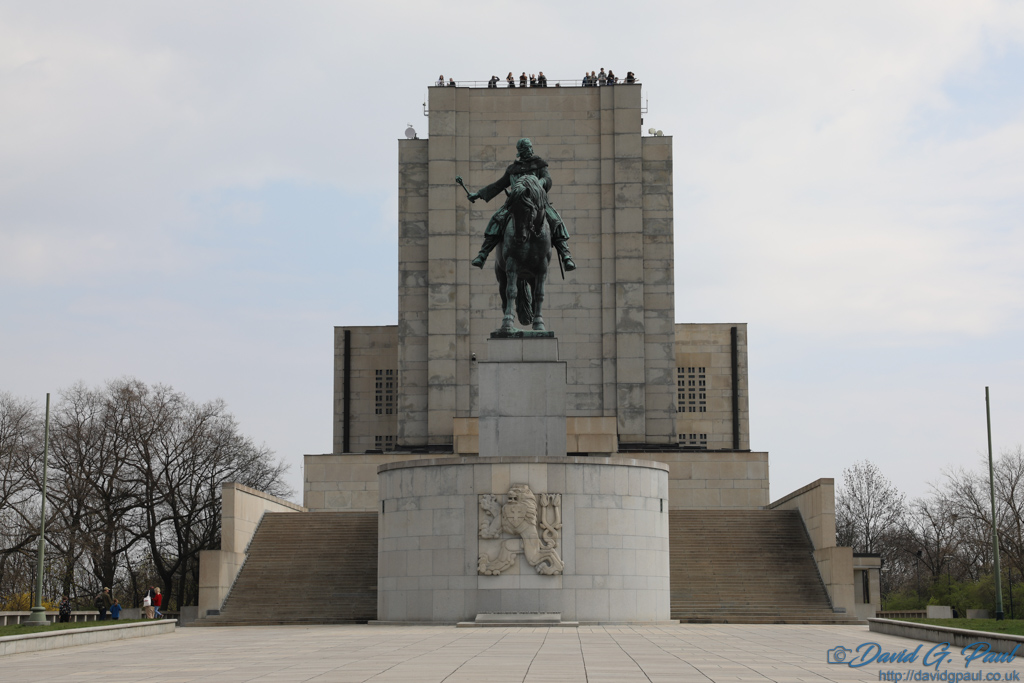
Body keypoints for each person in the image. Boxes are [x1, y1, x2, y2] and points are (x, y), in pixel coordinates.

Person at [466, 138, 576, 272]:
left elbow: (548, 179)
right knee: (497, 219)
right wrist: (478, 194)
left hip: (537, 203)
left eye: (529, 147)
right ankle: (483, 254)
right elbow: (498, 185)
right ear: (520, 151)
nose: (528, 150)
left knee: (555, 220)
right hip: (515, 203)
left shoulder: (539, 164)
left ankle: (566, 255)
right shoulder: (513, 169)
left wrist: (539, 184)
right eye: (525, 148)